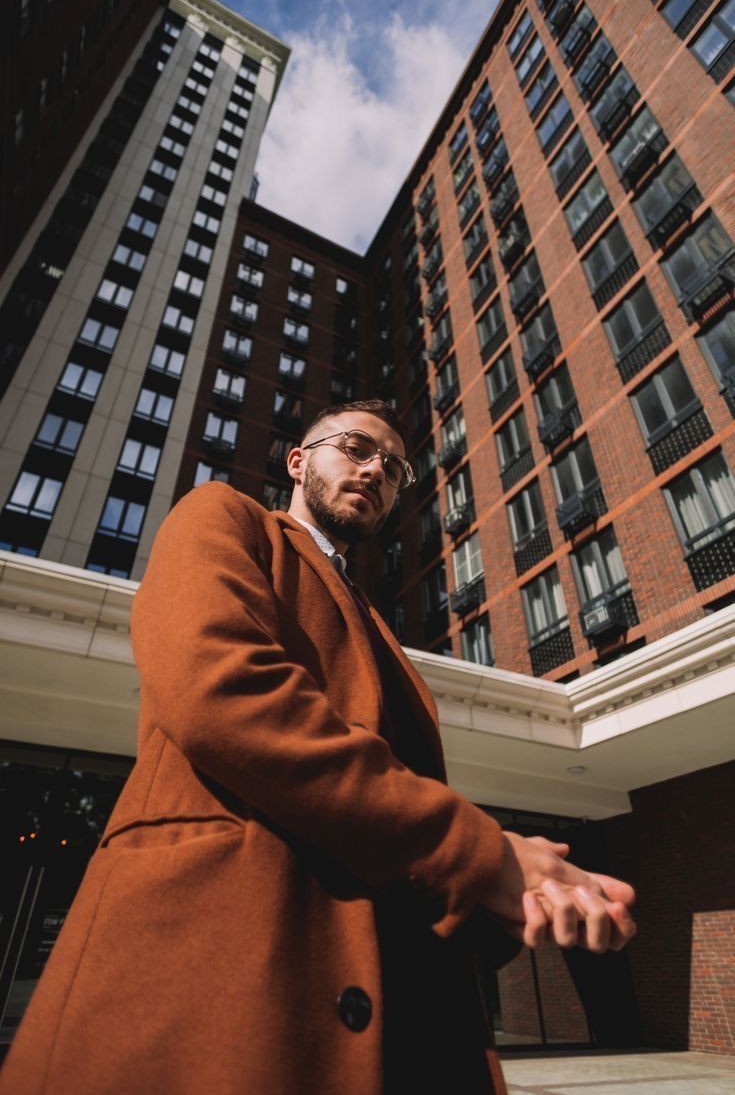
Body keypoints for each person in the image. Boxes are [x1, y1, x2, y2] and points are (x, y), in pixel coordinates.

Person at [0, 399, 635, 1095]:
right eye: (356, 448)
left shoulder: (379, 630)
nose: (376, 471)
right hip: (215, 994)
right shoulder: (224, 515)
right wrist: (481, 851)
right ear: (297, 462)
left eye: (393, 468)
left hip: (391, 1034)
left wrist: (515, 899)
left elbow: (391, 834)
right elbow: (223, 693)